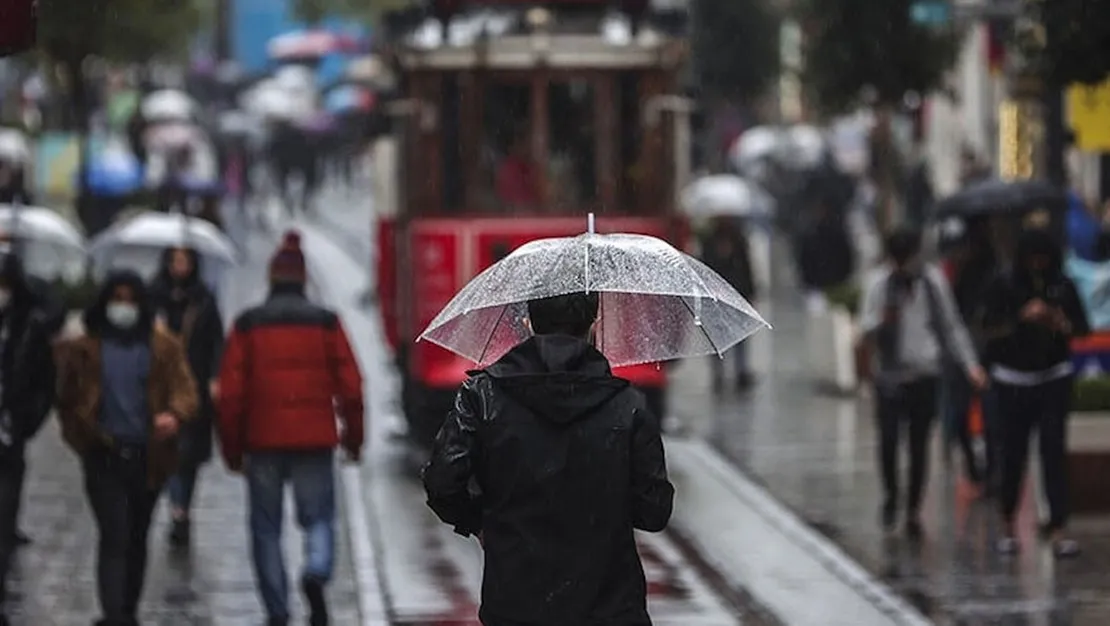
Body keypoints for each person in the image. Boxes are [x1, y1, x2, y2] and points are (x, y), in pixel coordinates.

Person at [423, 291, 675, 626]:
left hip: (515, 604)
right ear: (593, 325)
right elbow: (654, 511)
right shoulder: (627, 406)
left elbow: (442, 482)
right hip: (610, 606)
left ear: (528, 324)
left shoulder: (482, 397)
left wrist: (480, 522)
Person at [217, 231, 364, 626]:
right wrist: (353, 439)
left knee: (265, 528)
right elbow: (352, 386)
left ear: (270, 279)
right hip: (315, 439)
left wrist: (232, 451)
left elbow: (229, 395)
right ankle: (316, 570)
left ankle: (278, 610)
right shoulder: (326, 322)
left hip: (262, 442)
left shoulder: (248, 325)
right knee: (319, 517)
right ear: (303, 280)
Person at [55, 270, 198, 626]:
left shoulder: (162, 346)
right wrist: (81, 437)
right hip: (103, 454)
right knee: (114, 534)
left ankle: (128, 610)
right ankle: (114, 614)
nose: (124, 307)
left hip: (148, 456)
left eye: (130, 299)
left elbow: (186, 390)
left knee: (136, 535)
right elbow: (66, 398)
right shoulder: (85, 348)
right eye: (117, 298)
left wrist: (174, 416)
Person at [859, 228, 988, 539]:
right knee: (889, 442)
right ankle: (891, 495)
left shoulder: (932, 283)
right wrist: (881, 321)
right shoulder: (879, 284)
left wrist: (971, 366)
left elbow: (951, 325)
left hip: (925, 375)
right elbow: (865, 327)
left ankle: (913, 509)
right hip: (889, 376)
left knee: (919, 445)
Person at [981, 228, 1090, 557]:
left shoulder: (1062, 285)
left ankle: (1058, 527)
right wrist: (1021, 319)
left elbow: (1081, 328)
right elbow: (987, 328)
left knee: (1053, 452)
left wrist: (1058, 321)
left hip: (1053, 377)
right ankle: (1007, 525)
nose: (1038, 265)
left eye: (1044, 259)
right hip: (1012, 380)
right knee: (1012, 454)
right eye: (1033, 259)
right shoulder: (1004, 284)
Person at [148, 247, 225, 548]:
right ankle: (175, 507)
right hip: (159, 386)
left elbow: (217, 339)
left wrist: (214, 377)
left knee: (187, 455)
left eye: (185, 261)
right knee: (165, 449)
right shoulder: (153, 296)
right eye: (175, 261)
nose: (180, 267)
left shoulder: (203, 298)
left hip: (193, 385)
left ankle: (181, 509)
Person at [0, 248, 57, 626]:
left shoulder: (28, 327)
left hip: (9, 435)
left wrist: (26, 422)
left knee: (3, 519)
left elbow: (44, 382)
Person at [700, 217, 757, 391]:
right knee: (717, 338)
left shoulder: (739, 240)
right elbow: (705, 268)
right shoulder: (710, 242)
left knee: (740, 338)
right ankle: (718, 374)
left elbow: (746, 268)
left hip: (736, 295)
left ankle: (741, 372)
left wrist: (750, 292)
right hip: (716, 297)